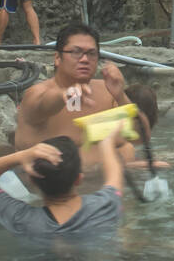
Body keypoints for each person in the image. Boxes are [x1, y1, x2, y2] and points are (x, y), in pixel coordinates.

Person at [0, 129, 123, 242]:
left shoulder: (20, 219)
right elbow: (115, 173)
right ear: (79, 179)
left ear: (32, 181)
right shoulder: (105, 206)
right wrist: (107, 143)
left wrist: (22, 156)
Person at [14, 24, 129, 175]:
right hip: (48, 191)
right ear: (57, 58)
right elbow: (44, 105)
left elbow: (135, 134)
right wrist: (64, 95)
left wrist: (120, 96)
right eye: (76, 52)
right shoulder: (36, 94)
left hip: (104, 187)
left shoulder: (107, 92)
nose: (84, 59)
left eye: (91, 53)